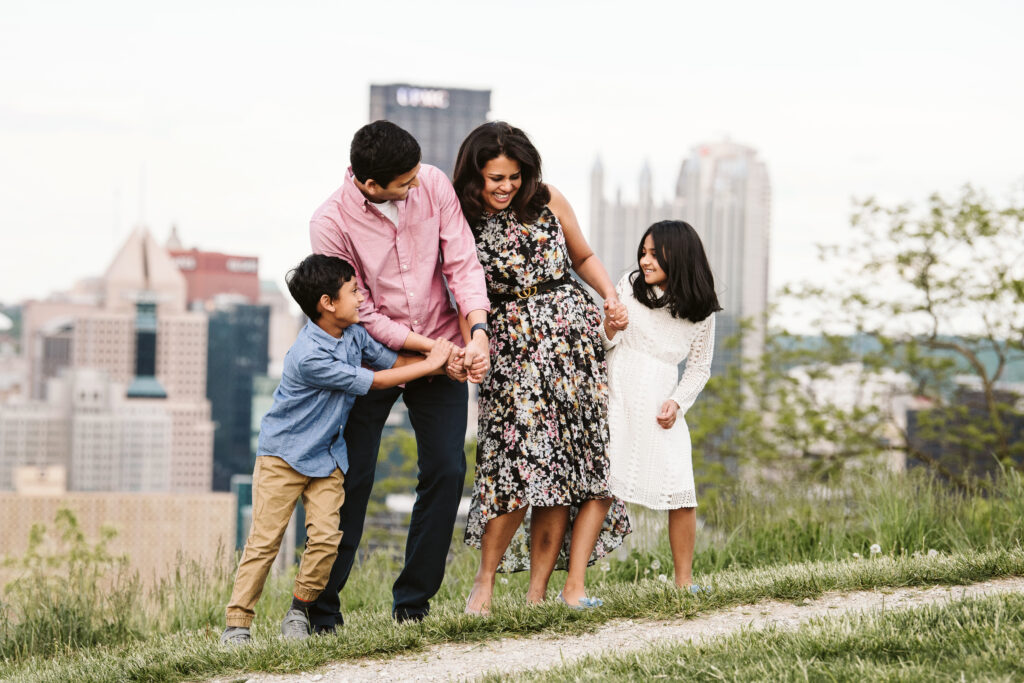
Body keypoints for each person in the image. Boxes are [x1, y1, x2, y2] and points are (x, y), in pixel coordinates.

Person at [308, 121, 491, 628]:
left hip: (442, 347)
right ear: (370, 184)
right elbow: (359, 313)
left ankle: (413, 606)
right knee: (353, 478)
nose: (416, 188)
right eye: (403, 183)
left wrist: (475, 332)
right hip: (369, 359)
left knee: (447, 472)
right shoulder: (330, 223)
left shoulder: (431, 184)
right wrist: (432, 352)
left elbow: (462, 262)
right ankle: (321, 611)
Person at [220, 254, 453, 645]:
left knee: (327, 538)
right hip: (284, 457)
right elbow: (378, 380)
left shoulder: (355, 335)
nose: (362, 298)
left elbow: (395, 361)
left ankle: (298, 611)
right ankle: (237, 623)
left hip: (326, 458)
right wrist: (436, 360)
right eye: (353, 291)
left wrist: (446, 363)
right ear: (328, 304)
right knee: (264, 542)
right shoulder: (309, 355)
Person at [453, 121, 631, 615]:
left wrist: (609, 295)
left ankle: (538, 595)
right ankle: (483, 585)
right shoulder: (461, 218)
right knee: (513, 467)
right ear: (475, 176)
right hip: (509, 347)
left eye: (513, 176)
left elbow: (583, 255)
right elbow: (462, 288)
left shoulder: (549, 199)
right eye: (494, 178)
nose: (505, 187)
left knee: (563, 469)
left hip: (571, 343)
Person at [601, 220, 720, 591]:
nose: (645, 260)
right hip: (620, 395)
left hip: (661, 406)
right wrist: (609, 326)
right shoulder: (628, 287)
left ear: (679, 257)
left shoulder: (700, 311)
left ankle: (684, 582)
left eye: (655, 254)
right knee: (603, 489)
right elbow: (605, 345)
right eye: (643, 251)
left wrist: (677, 403)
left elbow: (700, 367)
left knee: (680, 487)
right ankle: (575, 585)